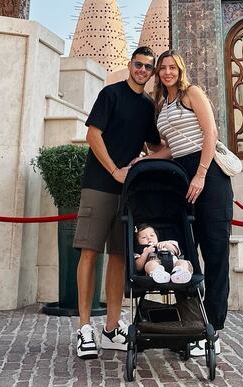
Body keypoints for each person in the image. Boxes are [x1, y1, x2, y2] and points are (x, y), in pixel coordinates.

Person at [73, 46, 162, 360]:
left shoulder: (148, 106)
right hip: (99, 185)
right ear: (130, 65)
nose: (142, 71)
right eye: (138, 65)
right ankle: (85, 328)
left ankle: (111, 329)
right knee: (89, 252)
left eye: (148, 67)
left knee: (120, 258)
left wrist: (189, 143)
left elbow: (154, 145)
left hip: (128, 194)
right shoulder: (110, 94)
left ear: (152, 73)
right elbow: (93, 136)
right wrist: (115, 170)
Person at [153, 49, 233, 356]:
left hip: (208, 176)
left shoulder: (191, 93)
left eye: (173, 67)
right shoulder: (163, 104)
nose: (168, 72)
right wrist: (142, 160)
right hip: (180, 178)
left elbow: (209, 132)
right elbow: (171, 149)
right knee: (185, 255)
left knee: (214, 253)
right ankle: (190, 325)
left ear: (180, 69)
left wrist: (200, 174)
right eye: (163, 68)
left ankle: (213, 329)